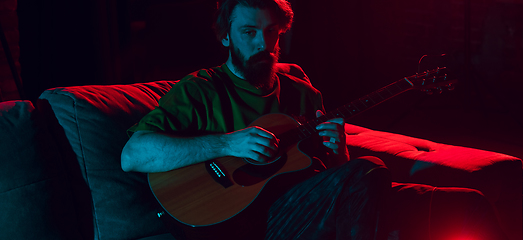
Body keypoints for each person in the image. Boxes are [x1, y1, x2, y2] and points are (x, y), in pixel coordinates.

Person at [121, 0, 391, 239]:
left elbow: (336, 186)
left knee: (369, 171)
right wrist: (227, 145)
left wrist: (339, 152)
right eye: (249, 32)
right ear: (226, 36)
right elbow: (133, 155)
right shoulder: (199, 89)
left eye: (271, 31)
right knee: (368, 167)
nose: (263, 44)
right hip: (229, 222)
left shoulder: (304, 94)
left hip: (295, 212)